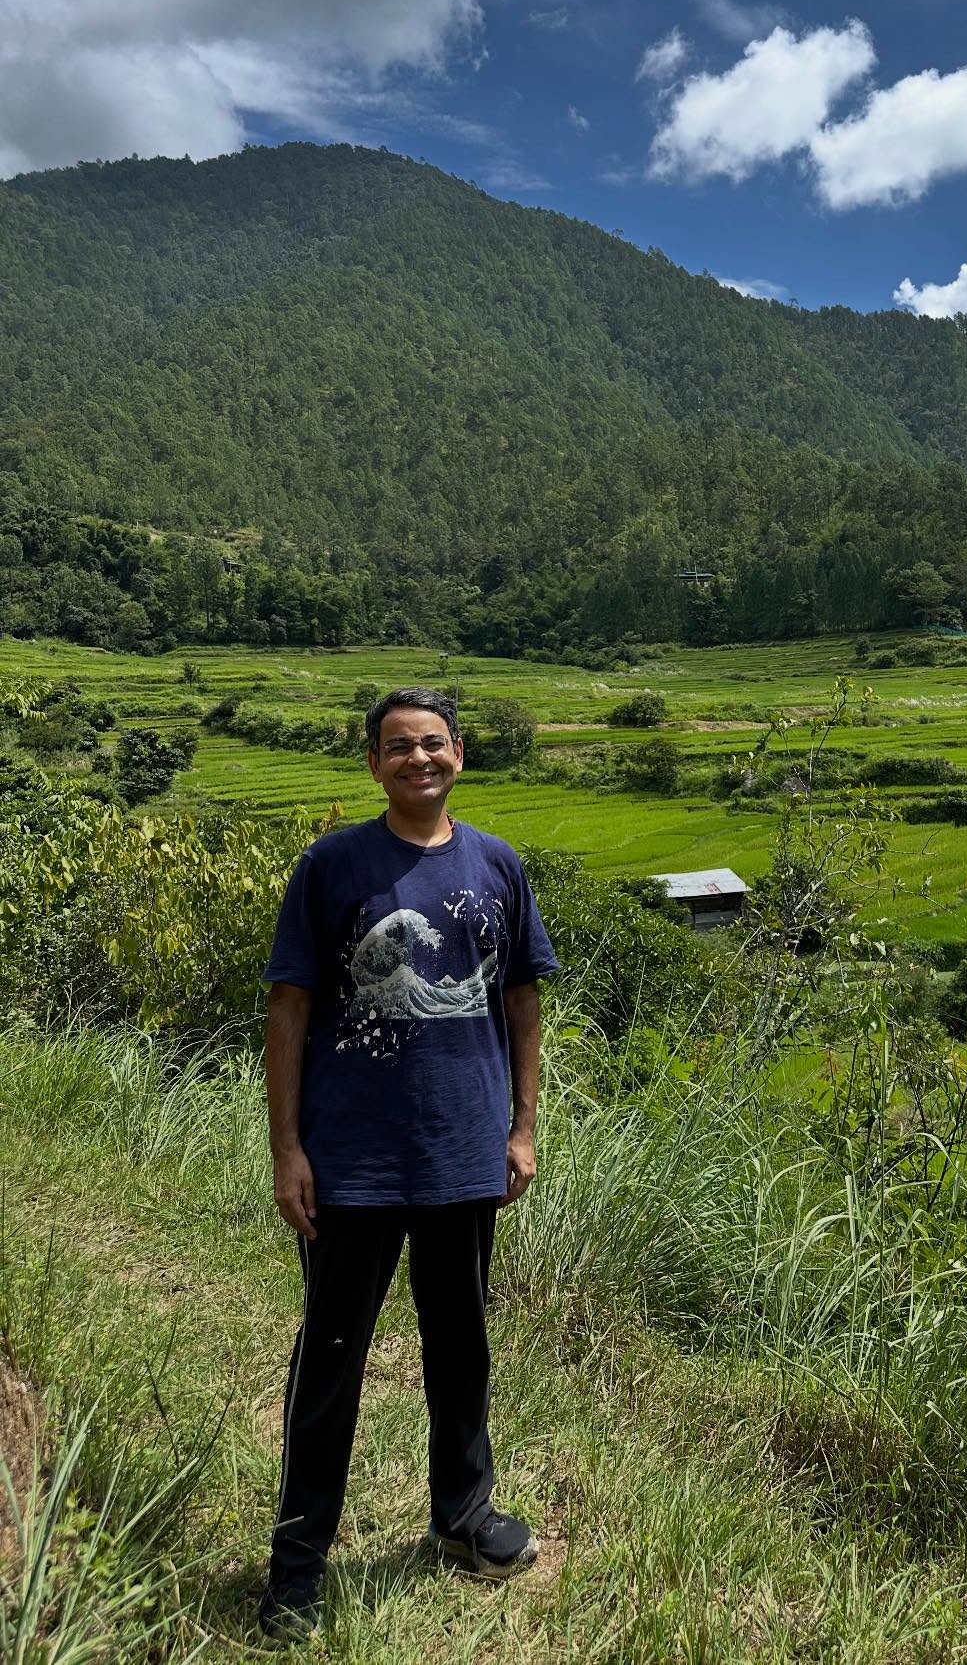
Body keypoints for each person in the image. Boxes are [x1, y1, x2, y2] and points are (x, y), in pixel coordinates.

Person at [257, 685, 558, 1641]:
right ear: (373, 763)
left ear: (460, 753)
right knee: (330, 1359)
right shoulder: (332, 864)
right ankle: (297, 1566)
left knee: (461, 1344)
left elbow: (521, 999)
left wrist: (522, 1126)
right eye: (398, 745)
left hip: (463, 1151)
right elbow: (289, 1007)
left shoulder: (497, 864)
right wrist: (288, 1148)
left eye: (433, 742)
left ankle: (463, 1516)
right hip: (352, 1160)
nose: (418, 758)